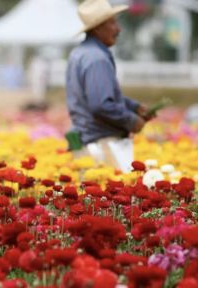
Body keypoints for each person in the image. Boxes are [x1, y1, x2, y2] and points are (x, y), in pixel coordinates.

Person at [66, 0, 152, 172]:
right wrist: (131, 120)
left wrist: (134, 107)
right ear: (98, 28)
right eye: (113, 23)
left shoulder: (81, 53)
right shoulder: (96, 58)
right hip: (101, 144)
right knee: (113, 194)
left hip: (86, 141)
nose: (118, 29)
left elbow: (96, 95)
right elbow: (101, 104)